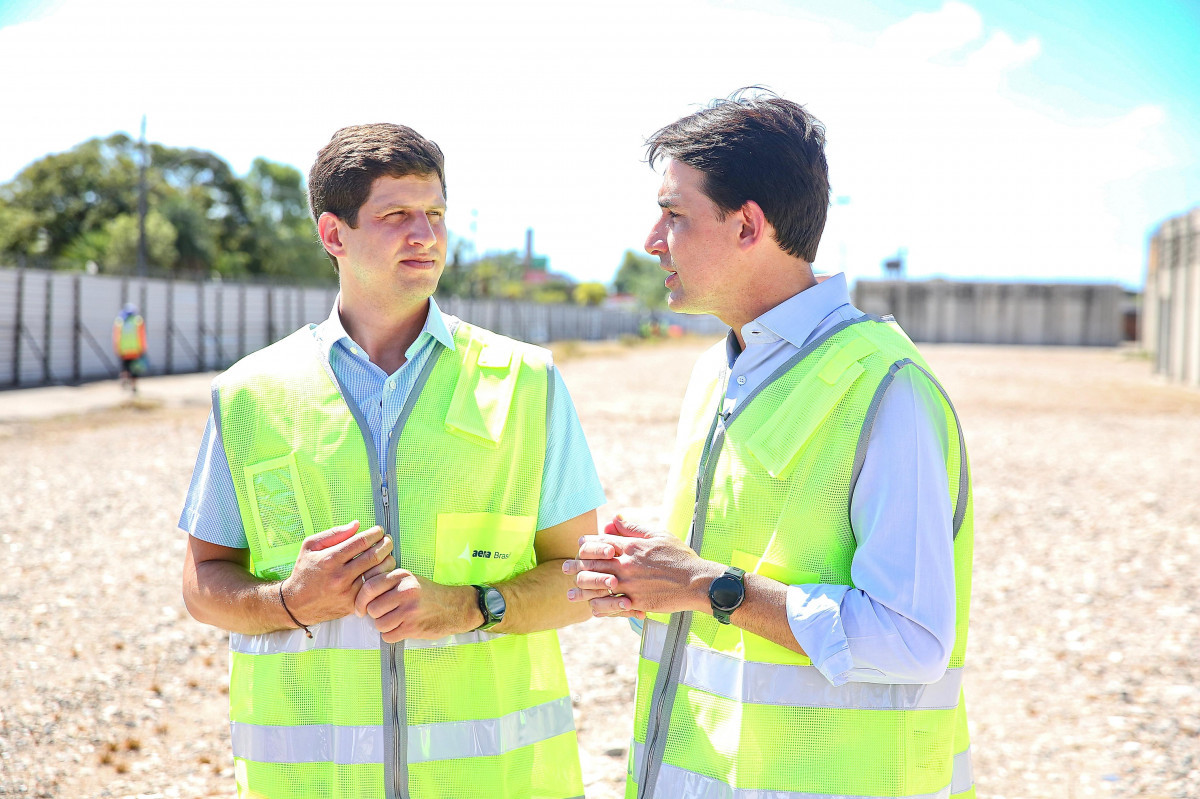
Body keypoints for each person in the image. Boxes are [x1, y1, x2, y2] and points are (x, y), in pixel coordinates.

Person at [565, 90, 976, 799]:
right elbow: (724, 587)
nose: (651, 239)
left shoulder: (885, 385)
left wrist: (703, 585)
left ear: (749, 224)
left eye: (674, 214)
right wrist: (654, 579)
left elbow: (911, 639)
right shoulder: (716, 370)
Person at [180, 123, 604, 799]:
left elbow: (584, 578)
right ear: (333, 234)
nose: (426, 236)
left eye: (435, 214)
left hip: (495, 782)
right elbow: (204, 581)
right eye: (396, 215)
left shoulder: (527, 381)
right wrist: (289, 600)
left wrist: (472, 605)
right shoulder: (250, 393)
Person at [112, 302, 146, 393]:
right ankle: (134, 386)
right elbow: (141, 336)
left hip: (124, 350)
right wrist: (143, 347)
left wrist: (116, 348)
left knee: (124, 368)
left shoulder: (120, 321)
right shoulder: (138, 321)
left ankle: (124, 382)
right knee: (135, 369)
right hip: (135, 350)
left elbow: (116, 336)